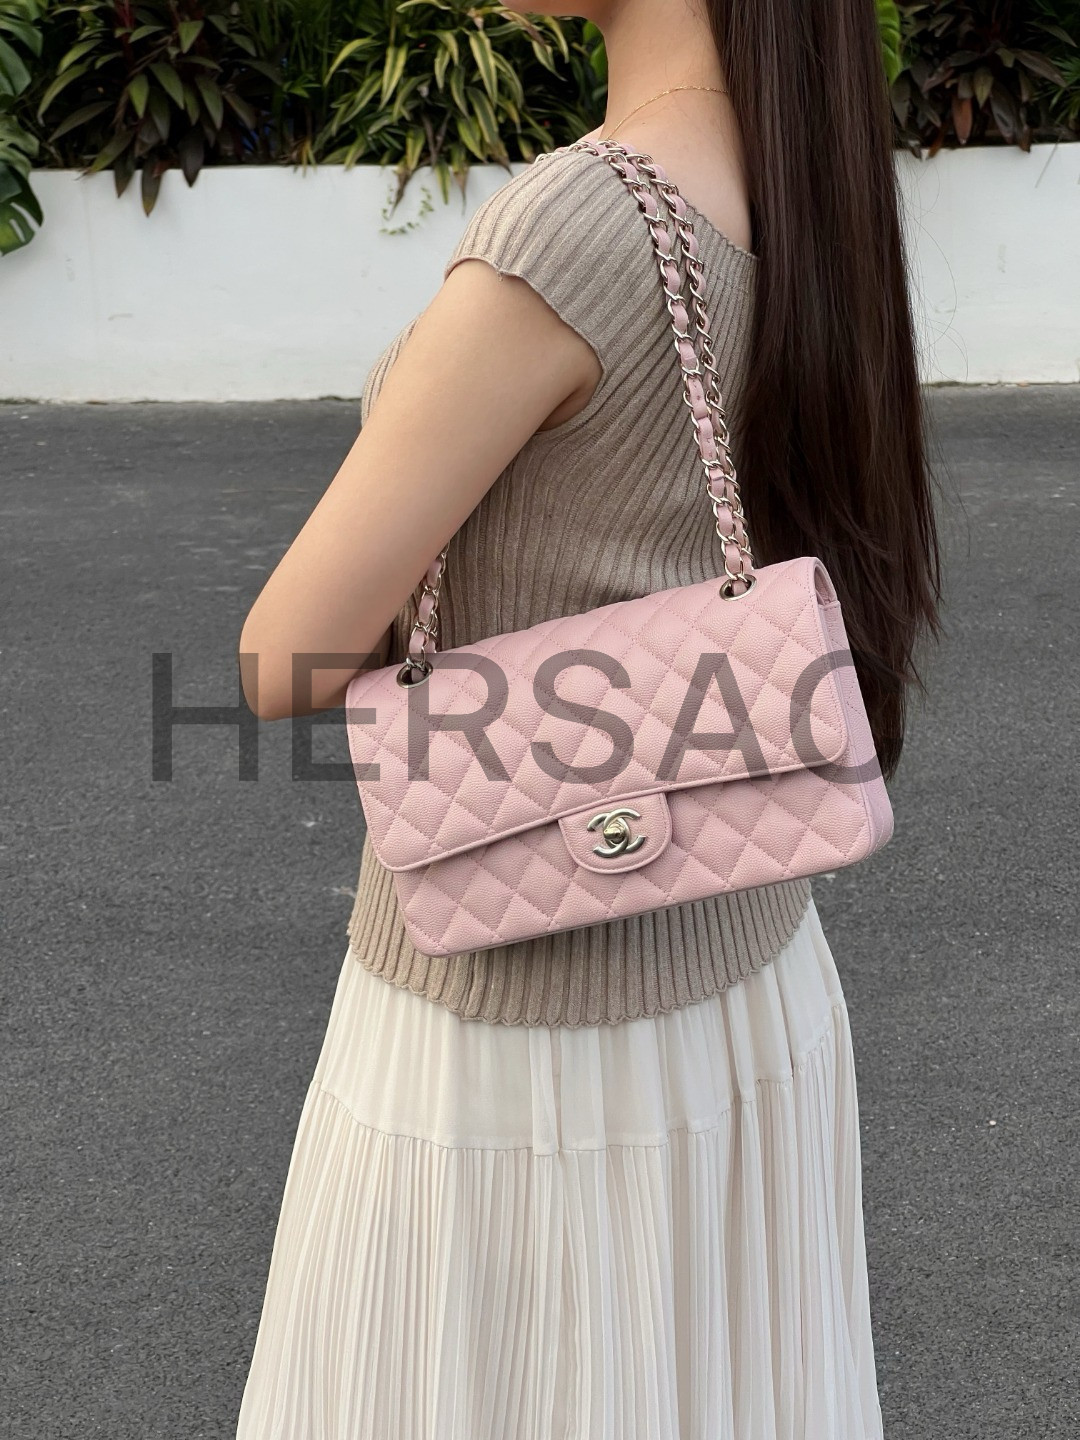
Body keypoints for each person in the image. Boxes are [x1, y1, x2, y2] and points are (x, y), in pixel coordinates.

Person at [234, 0, 942, 1434]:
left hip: (523, 1031)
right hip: (746, 975)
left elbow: (283, 657)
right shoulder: (802, 174)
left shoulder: (572, 231)